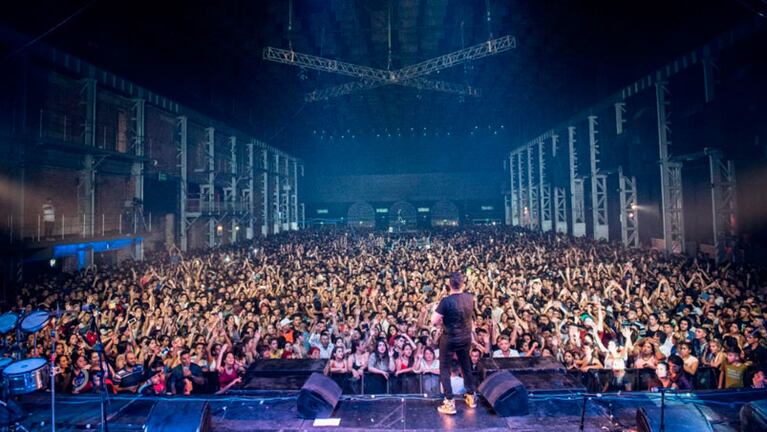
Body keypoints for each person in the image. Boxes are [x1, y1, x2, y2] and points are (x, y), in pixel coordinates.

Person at [432, 272, 477, 415]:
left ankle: (449, 402)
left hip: (450, 338)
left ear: (449, 284)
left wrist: (435, 308)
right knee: (466, 365)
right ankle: (470, 396)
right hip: (465, 337)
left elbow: (434, 321)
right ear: (463, 284)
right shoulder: (470, 298)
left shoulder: (446, 301)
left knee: (444, 368)